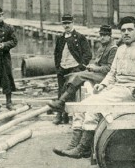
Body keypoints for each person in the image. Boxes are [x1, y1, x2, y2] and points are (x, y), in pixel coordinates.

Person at [54, 16, 135, 159]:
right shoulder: (121, 49)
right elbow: (112, 73)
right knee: (82, 106)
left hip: (132, 91)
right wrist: (103, 84)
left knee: (93, 107)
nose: (126, 33)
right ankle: (74, 145)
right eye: (123, 30)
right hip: (116, 89)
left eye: (130, 30)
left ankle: (83, 148)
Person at [49, 25, 117, 155]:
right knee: (70, 77)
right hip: (98, 74)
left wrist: (95, 68)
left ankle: (61, 102)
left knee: (79, 75)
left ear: (110, 35)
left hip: (104, 77)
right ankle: (73, 143)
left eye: (104, 35)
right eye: (100, 35)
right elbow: (98, 63)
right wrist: (92, 66)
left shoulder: (113, 49)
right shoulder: (102, 47)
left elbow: (109, 69)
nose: (101, 37)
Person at [53, 14, 92, 125]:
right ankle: (60, 115)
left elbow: (88, 55)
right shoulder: (60, 38)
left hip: (74, 69)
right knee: (61, 91)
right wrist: (58, 67)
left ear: (72, 23)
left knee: (70, 91)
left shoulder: (80, 37)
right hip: (62, 68)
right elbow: (56, 54)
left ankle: (71, 116)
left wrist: (79, 68)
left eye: (68, 23)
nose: (66, 26)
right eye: (64, 23)